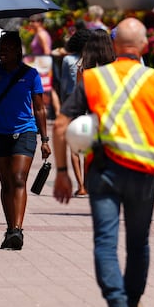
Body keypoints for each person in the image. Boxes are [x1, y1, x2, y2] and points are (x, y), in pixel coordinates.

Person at [53, 18, 154, 307]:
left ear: (115, 46)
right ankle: (130, 305)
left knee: (105, 241)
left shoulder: (93, 79)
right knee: (138, 243)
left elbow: (61, 124)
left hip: (103, 172)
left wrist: (62, 172)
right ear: (144, 46)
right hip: (144, 174)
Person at [0, 31, 50, 249]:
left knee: (18, 179)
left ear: (18, 50)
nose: (3, 51)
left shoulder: (31, 74)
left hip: (25, 131)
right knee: (6, 182)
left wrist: (45, 139)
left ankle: (18, 230)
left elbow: (39, 108)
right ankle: (10, 229)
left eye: (8, 47)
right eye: (1, 47)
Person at [58, 28, 91, 195]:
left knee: (74, 147)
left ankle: (81, 186)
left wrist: (63, 106)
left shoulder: (68, 60)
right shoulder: (94, 61)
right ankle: (87, 182)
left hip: (73, 105)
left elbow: (64, 85)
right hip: (89, 106)